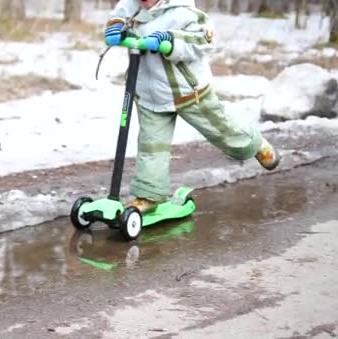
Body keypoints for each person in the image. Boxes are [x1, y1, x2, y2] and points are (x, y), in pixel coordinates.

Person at [104, 0, 280, 214]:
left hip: (190, 92)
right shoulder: (130, 6)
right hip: (151, 95)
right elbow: (119, 16)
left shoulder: (183, 11)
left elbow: (204, 40)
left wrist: (170, 40)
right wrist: (114, 26)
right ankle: (148, 196)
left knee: (223, 130)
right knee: (152, 147)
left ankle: (254, 145)